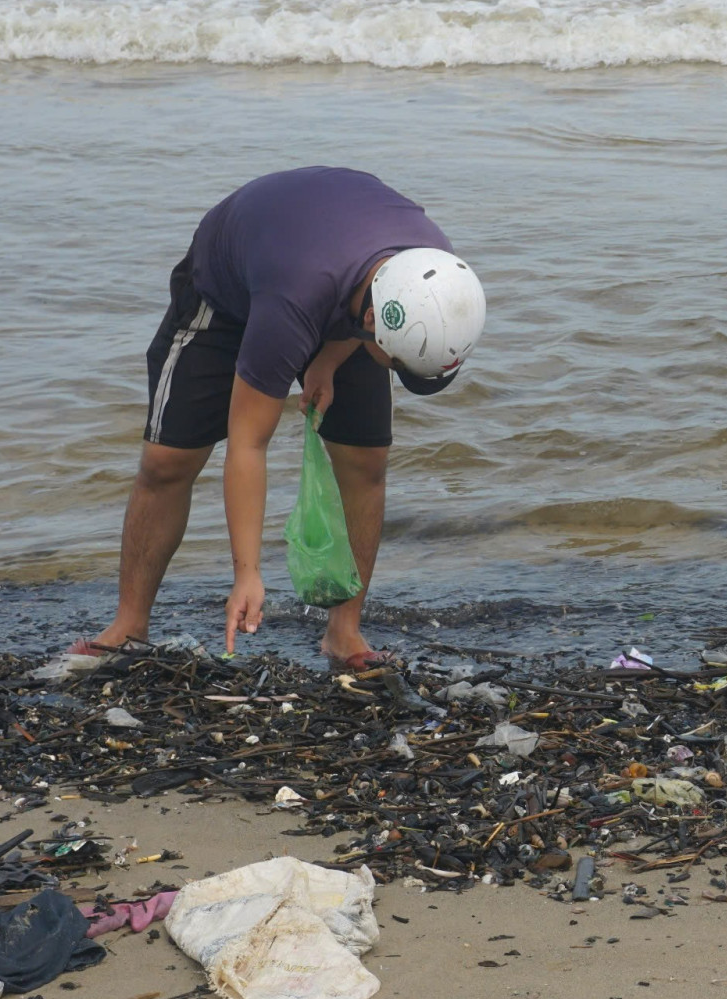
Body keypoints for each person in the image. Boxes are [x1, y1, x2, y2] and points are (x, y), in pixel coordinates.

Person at [77, 167, 487, 668]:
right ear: (374, 322)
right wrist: (247, 573)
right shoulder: (294, 299)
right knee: (168, 462)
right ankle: (128, 626)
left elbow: (356, 295)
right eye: (399, 364)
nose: (397, 374)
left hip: (332, 269)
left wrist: (329, 360)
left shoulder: (432, 273)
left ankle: (345, 635)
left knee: (366, 462)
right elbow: (247, 442)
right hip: (229, 287)